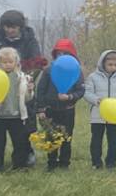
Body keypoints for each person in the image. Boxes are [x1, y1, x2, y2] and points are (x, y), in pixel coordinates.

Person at [0, 9, 42, 163]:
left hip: (20, 81)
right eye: (6, 27)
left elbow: (36, 61)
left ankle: (25, 155)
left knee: (24, 126)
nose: (9, 30)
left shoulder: (30, 40)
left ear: (20, 27)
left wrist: (28, 79)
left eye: (13, 27)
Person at [32, 38, 85, 171]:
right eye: (59, 54)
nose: (62, 57)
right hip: (50, 110)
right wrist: (41, 109)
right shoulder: (49, 70)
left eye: (65, 54)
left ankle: (64, 163)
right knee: (51, 137)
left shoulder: (76, 71)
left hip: (67, 110)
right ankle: (51, 162)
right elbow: (41, 90)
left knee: (66, 137)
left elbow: (81, 90)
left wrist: (70, 97)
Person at [0, 46, 33, 171]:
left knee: (19, 142)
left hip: (17, 116)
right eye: (4, 62)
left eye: (10, 62)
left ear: (16, 62)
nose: (7, 65)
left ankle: (19, 165)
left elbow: (27, 98)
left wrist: (30, 90)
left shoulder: (22, 77)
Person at [85, 49, 116, 170]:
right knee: (96, 139)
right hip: (97, 115)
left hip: (115, 116)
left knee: (113, 140)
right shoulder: (93, 77)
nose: (113, 67)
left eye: (115, 65)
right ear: (102, 63)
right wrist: (96, 100)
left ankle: (111, 162)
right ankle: (96, 162)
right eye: (110, 65)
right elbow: (87, 92)